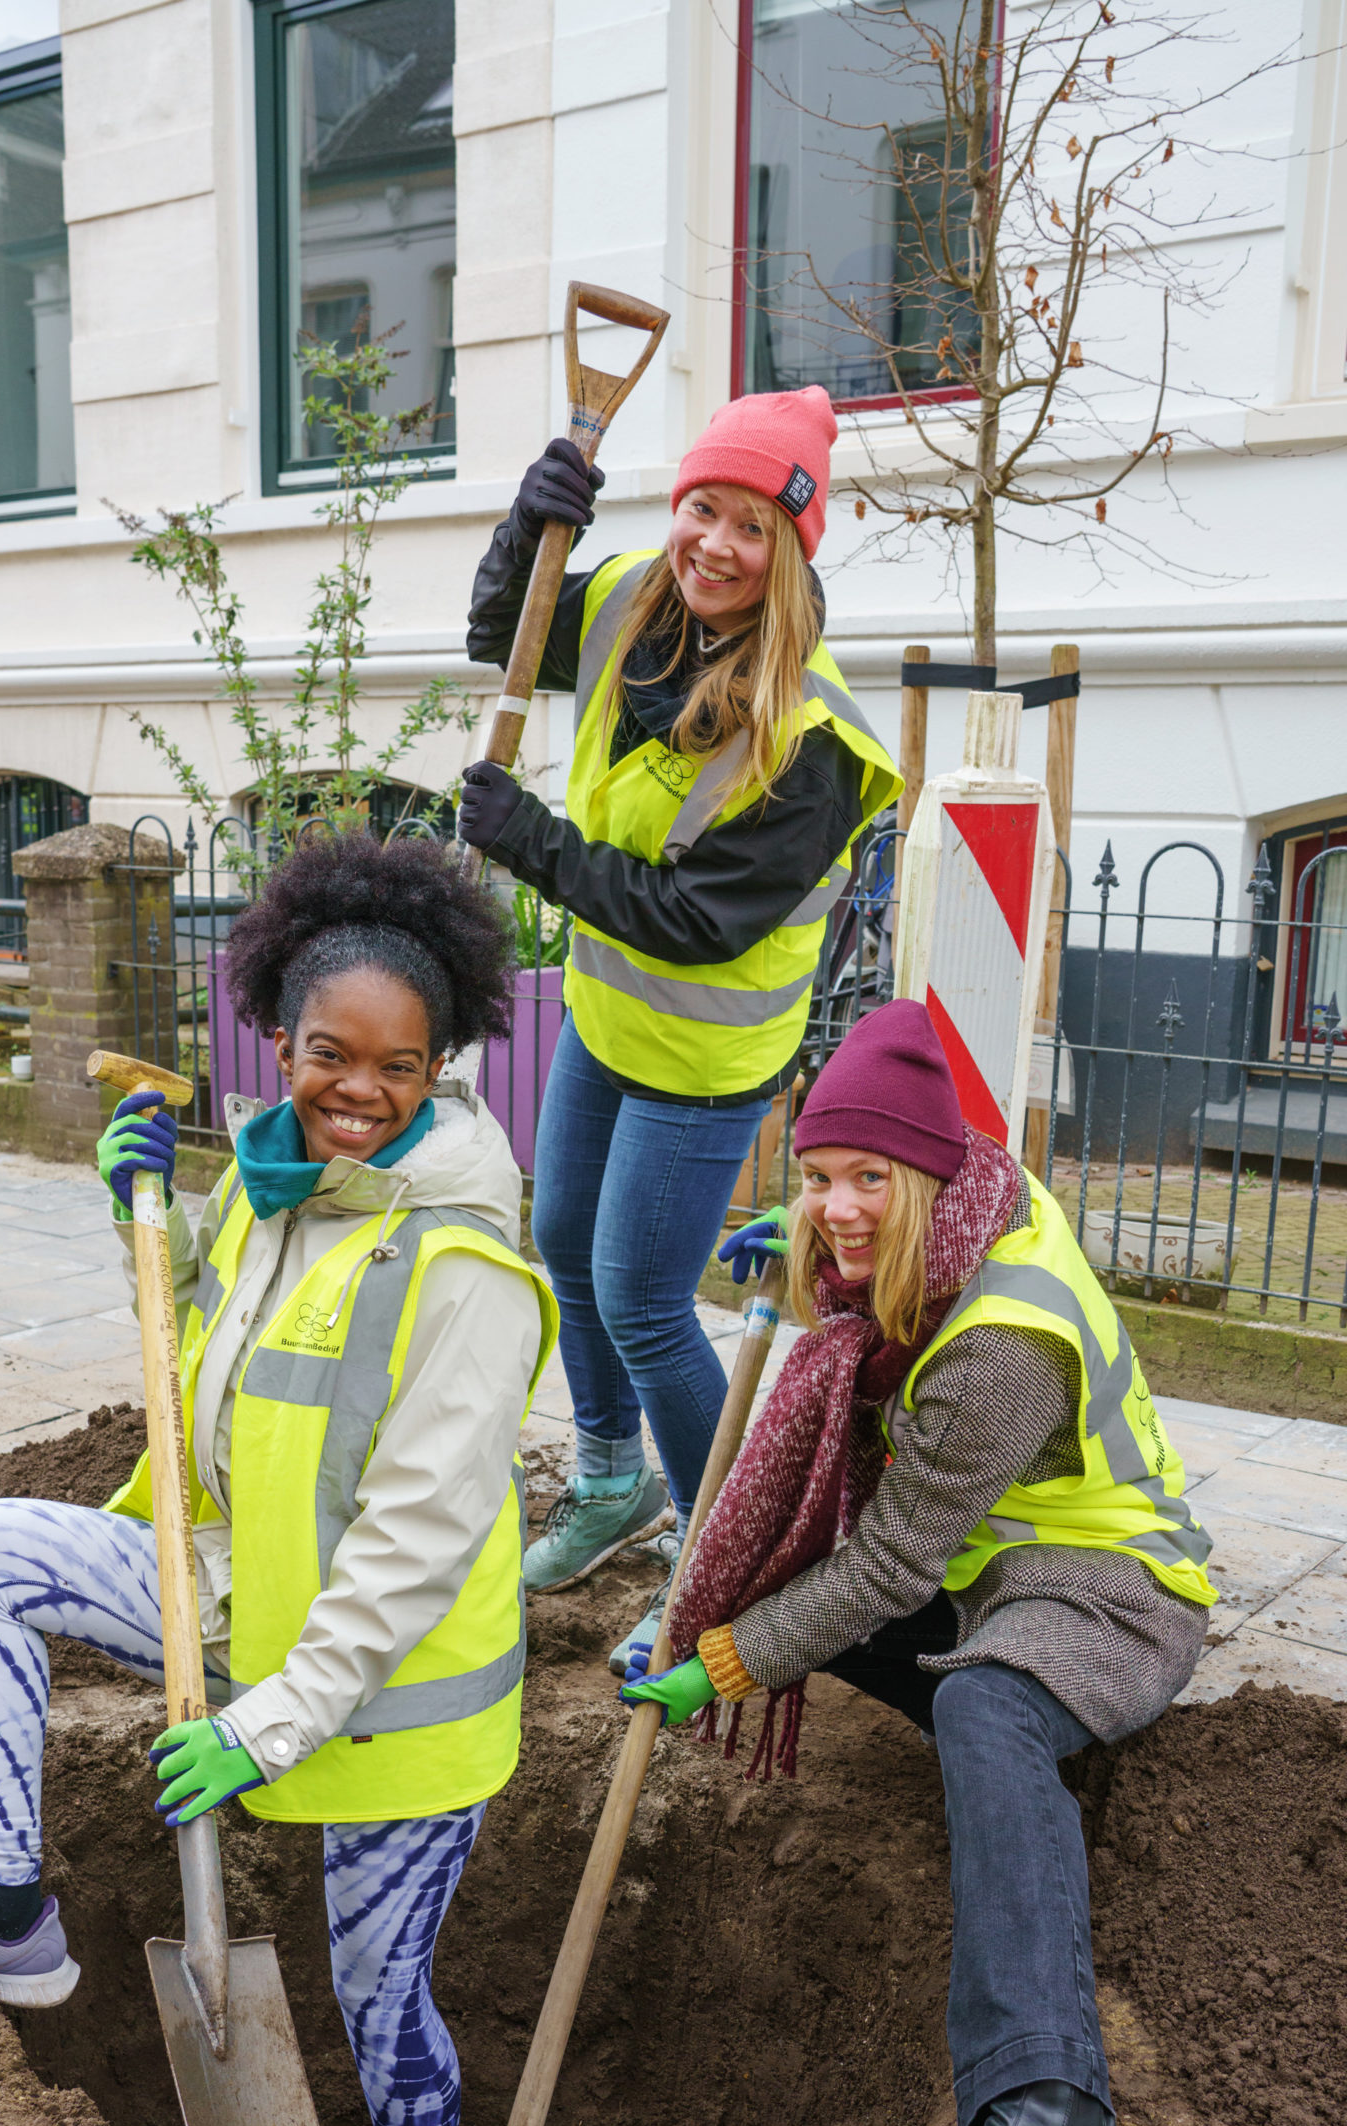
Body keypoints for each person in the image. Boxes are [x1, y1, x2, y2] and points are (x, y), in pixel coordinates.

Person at [0, 835, 558, 2126]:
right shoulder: (270, 1202)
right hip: (236, 1606)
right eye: (332, 1054)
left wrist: (274, 1724)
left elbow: (408, 1545)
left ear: (443, 1063)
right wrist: (136, 1216)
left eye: (400, 1069)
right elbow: (208, 1377)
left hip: (390, 1701)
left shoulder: (466, 1271)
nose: (361, 1094)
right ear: (277, 1036)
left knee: (379, 1996)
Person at [619, 1000, 1216, 2126]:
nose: (838, 1206)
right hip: (986, 1565)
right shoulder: (963, 1208)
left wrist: (719, 1659)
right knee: (790, 1600)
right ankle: (1032, 1758)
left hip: (1110, 1579)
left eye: (868, 1180)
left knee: (980, 1709)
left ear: (934, 1173)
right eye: (818, 1176)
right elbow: (860, 1559)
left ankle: (1053, 2125)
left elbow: (886, 1564)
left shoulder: (998, 1344)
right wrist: (812, 1242)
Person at [458, 384, 901, 1672]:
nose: (715, 544)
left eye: (752, 526)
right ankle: (616, 1486)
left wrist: (530, 844)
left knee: (643, 1298)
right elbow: (506, 631)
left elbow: (696, 920)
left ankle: (728, 1557)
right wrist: (526, 521)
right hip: (607, 1015)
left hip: (705, 1052)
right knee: (559, 1240)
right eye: (703, 507)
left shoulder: (812, 740)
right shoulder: (629, 605)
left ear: (792, 553)